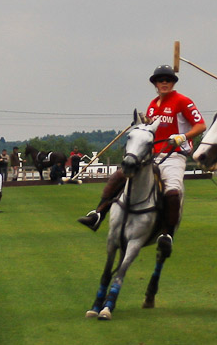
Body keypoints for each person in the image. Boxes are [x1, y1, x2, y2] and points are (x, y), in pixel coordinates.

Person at [78, 65, 206, 258]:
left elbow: (201, 125)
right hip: (153, 155)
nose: (164, 83)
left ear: (173, 83)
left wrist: (183, 136)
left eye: (168, 80)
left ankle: (167, 235)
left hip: (174, 155)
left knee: (172, 192)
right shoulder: (153, 104)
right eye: (160, 80)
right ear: (155, 84)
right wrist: (144, 122)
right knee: (120, 175)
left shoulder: (183, 101)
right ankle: (98, 214)